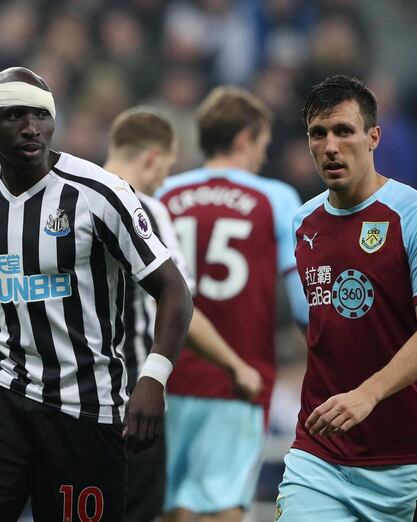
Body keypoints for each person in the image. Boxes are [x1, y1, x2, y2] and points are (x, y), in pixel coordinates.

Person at [0, 67, 193, 522]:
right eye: (14, 116)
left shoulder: (99, 193)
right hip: (0, 393)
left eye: (41, 116)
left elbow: (174, 290)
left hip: (85, 406)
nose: (31, 128)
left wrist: (152, 378)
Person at [275, 75, 417, 521]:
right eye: (318, 134)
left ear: (373, 137)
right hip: (318, 458)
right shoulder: (303, 222)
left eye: (344, 131)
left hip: (408, 464)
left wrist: (366, 394)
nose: (331, 146)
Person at [156, 86, 308, 522]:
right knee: (225, 502)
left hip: (166, 374)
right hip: (239, 376)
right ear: (244, 139)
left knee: (173, 503)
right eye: (262, 143)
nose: (263, 155)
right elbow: (301, 300)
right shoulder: (275, 198)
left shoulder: (165, 193)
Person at [104, 107, 263, 522]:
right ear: (153, 158)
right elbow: (180, 307)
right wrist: (235, 366)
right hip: (129, 403)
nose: (164, 179)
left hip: (66, 403)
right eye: (167, 167)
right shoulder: (148, 212)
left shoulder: (71, 199)